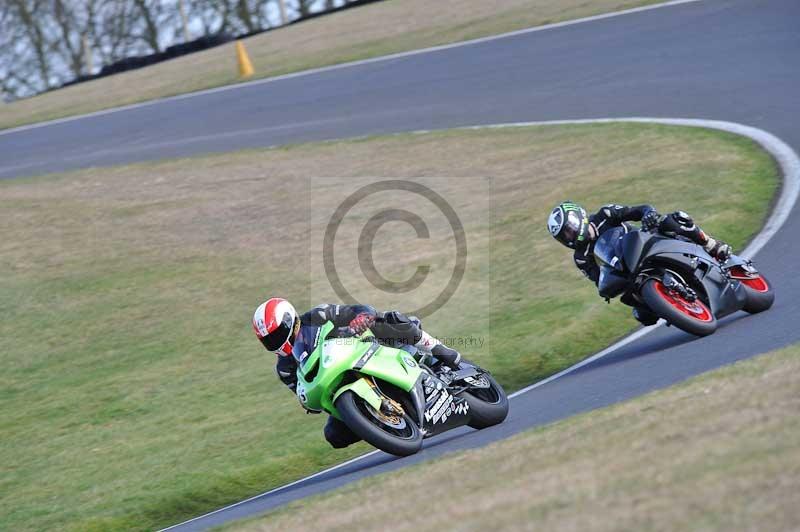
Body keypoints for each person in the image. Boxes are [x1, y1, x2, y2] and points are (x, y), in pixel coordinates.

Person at [251, 298, 462, 449]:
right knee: (333, 435)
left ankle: (439, 350)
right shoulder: (284, 369)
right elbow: (302, 392)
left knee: (389, 320)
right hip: (337, 383)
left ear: (290, 320)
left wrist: (361, 317)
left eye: (277, 334)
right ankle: (381, 423)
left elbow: (357, 309)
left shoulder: (318, 315)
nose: (275, 342)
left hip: (367, 348)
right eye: (269, 340)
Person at [546, 202, 732, 326]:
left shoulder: (605, 214)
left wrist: (648, 214)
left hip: (646, 242)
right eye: (564, 236)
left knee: (672, 220)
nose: (569, 236)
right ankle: (674, 306)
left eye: (569, 230)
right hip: (628, 270)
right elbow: (598, 278)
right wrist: (607, 287)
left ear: (579, 218)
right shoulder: (581, 257)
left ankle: (711, 244)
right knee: (642, 315)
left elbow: (637, 210)